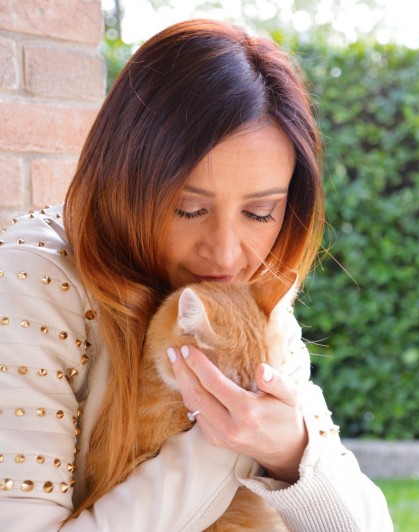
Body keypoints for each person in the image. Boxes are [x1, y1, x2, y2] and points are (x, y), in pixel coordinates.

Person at [0, 19, 392, 531]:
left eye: (259, 213)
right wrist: (227, 446)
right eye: (188, 209)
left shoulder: (248, 303)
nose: (226, 255)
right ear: (123, 180)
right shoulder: (37, 278)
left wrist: (292, 447)